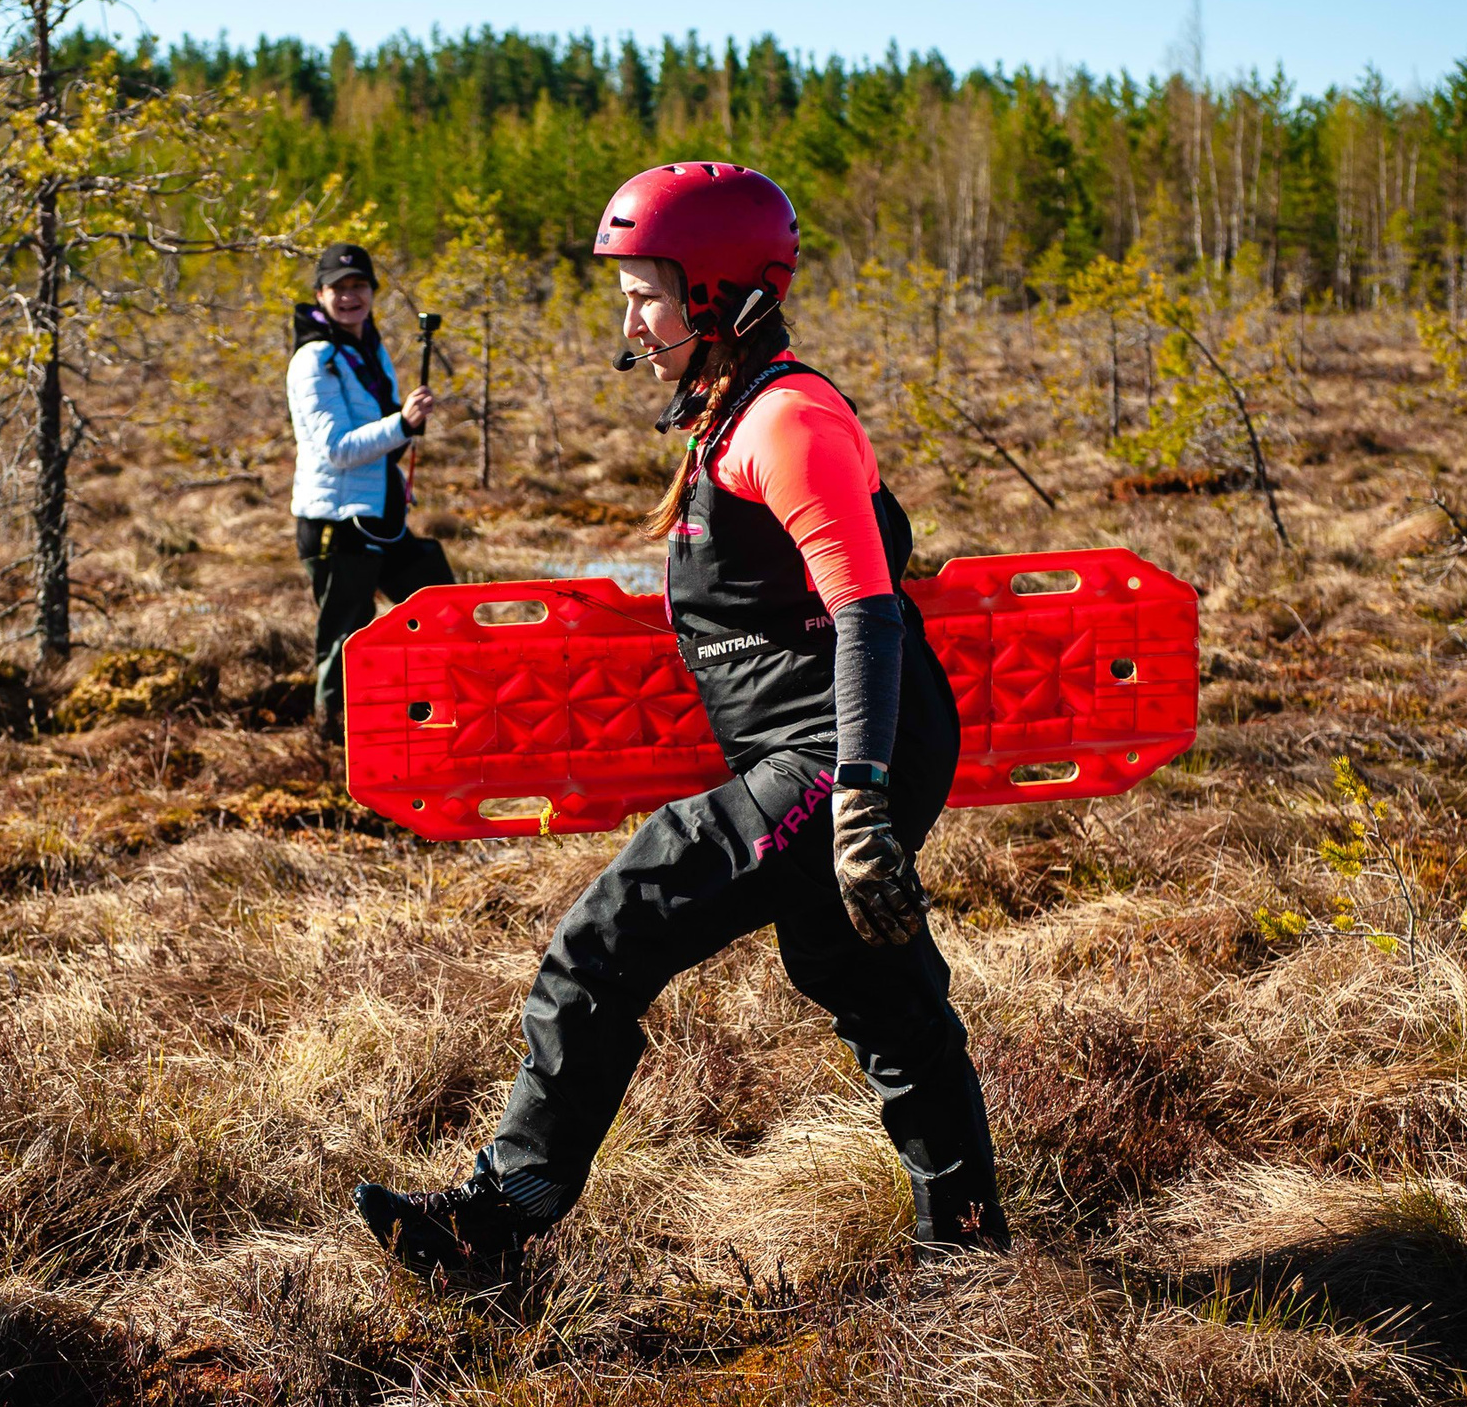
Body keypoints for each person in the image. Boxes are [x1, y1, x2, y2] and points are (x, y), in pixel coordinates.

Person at [354, 164, 1006, 1273]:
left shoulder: (788, 419)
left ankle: (494, 1221)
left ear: (715, 296)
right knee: (876, 990)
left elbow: (866, 615)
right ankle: (975, 1247)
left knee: (604, 937)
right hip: (835, 750)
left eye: (647, 294)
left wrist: (857, 804)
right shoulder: (729, 416)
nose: (630, 319)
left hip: (837, 756)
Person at [288, 242, 453, 741]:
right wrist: (402, 423)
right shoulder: (314, 360)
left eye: (359, 285)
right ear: (320, 294)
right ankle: (331, 744)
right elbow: (336, 448)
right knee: (345, 638)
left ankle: (432, 718)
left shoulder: (368, 346)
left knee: (437, 604)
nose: (350, 296)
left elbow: (378, 434)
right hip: (335, 526)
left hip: (379, 517)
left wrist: (402, 426)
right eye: (339, 288)